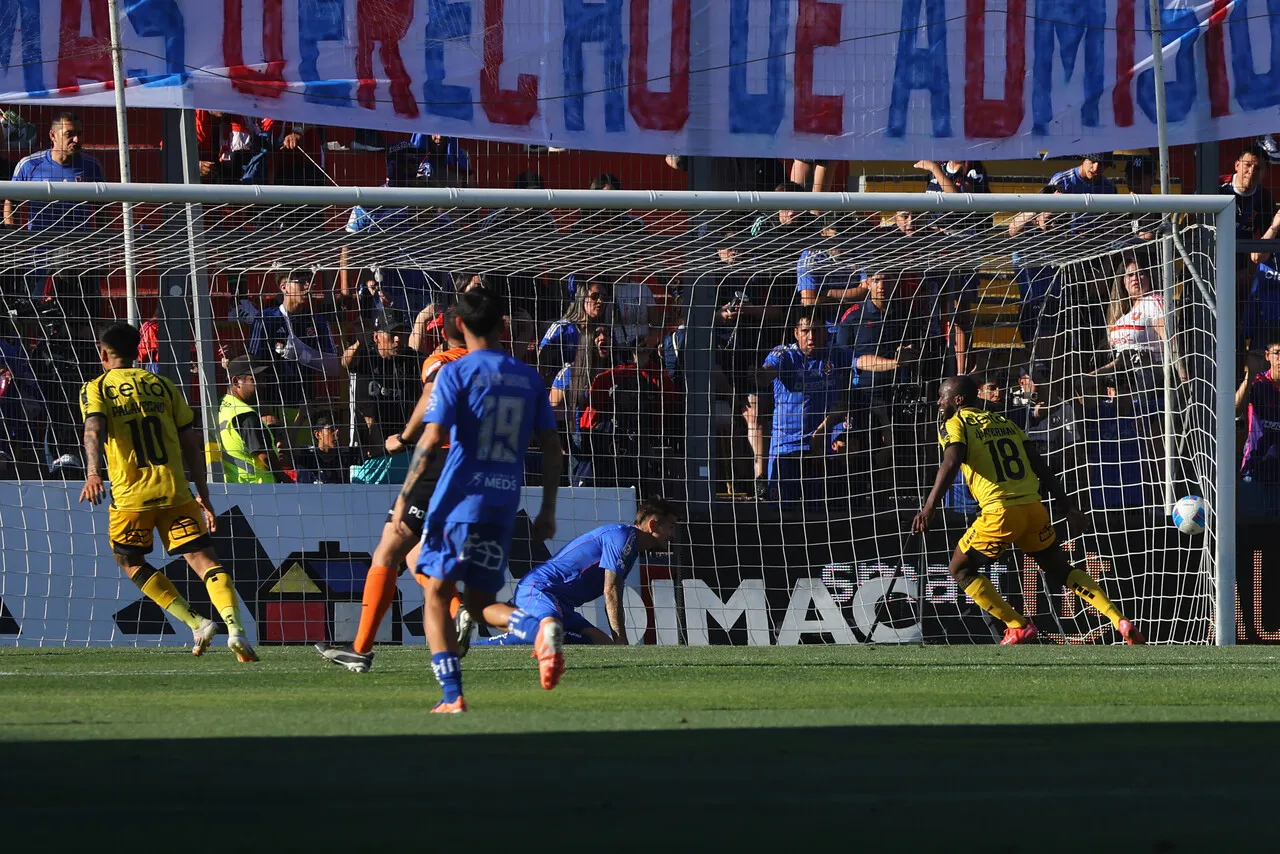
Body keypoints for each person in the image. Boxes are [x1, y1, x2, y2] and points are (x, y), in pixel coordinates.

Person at [391, 288, 563, 711]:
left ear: (461, 328)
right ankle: (537, 628)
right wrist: (547, 510)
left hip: (457, 503)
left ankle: (452, 696)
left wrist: (405, 496)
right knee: (480, 603)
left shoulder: (455, 372)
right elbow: (554, 448)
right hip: (502, 505)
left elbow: (431, 440)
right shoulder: (528, 378)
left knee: (434, 593)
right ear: (504, 325)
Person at [912, 376, 1144, 645]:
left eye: (943, 397)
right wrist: (1068, 507)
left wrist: (929, 507)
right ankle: (1119, 620)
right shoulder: (1005, 423)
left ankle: (1017, 625)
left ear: (959, 400)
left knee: (960, 569)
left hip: (1000, 511)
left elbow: (951, 462)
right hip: (1034, 508)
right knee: (1060, 569)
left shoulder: (956, 423)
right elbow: (1041, 467)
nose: (939, 402)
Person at [78, 323, 257, 661]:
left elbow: (94, 427)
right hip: (176, 491)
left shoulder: (96, 387)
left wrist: (92, 472)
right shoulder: (163, 385)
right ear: (139, 352)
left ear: (103, 354)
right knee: (205, 561)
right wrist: (202, 492)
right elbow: (191, 441)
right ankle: (236, 629)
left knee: (128, 560)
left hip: (132, 496)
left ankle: (197, 622)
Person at [313, 309, 469, 673]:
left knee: (386, 551)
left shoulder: (440, 360)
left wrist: (403, 437)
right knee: (414, 555)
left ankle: (361, 648)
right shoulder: (498, 365)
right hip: (481, 470)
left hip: (439, 462)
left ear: (444, 334)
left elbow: (432, 398)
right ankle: (457, 609)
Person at [464, 497, 679, 650]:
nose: (673, 534)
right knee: (551, 631)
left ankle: (500, 636)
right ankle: (474, 643)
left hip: (561, 604)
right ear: (653, 524)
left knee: (602, 645)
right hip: (540, 589)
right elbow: (610, 590)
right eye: (671, 526)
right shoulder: (622, 538)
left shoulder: (631, 547)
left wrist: (616, 641)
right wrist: (622, 641)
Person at [3, 112, 107, 328]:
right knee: (34, 318)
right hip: (39, 257)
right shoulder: (29, 165)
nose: (76, 139)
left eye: (79, 134)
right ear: (53, 135)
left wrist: (101, 245)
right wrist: (16, 241)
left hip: (78, 257)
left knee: (81, 320)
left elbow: (102, 209)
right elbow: (10, 202)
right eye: (70, 134)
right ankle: (37, 359)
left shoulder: (91, 166)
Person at [758, 306, 853, 503]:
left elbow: (861, 362)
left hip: (820, 450)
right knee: (783, 514)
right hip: (786, 450)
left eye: (816, 330)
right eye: (806, 331)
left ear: (825, 332)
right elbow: (767, 372)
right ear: (796, 333)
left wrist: (895, 363)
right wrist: (760, 375)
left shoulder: (835, 354)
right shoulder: (784, 355)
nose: (811, 336)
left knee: (820, 514)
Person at [247, 270, 340, 444]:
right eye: (301, 282)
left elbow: (334, 366)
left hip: (305, 408)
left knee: (302, 464)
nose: (308, 287)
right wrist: (263, 409)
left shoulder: (317, 321)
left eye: (309, 282)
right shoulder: (265, 319)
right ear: (284, 287)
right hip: (273, 407)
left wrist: (301, 353)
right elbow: (252, 365)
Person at [343, 311, 419, 447]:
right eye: (392, 334)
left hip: (401, 442)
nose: (398, 339)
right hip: (366, 445)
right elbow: (345, 362)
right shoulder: (366, 356)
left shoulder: (412, 359)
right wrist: (359, 341)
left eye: (401, 333)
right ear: (376, 337)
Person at [217, 355, 286, 484]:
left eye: (263, 379)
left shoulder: (222, 406)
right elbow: (264, 458)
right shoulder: (246, 415)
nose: (263, 385)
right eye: (255, 379)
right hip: (258, 490)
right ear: (236, 381)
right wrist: (286, 481)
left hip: (234, 486)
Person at [1236, 338, 1280, 517]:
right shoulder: (1258, 383)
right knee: (1251, 535)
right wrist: (1250, 375)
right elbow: (1234, 407)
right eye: (1277, 353)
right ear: (1268, 356)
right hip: (1254, 471)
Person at [536, 281, 612, 380]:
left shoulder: (605, 332)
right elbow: (541, 357)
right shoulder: (561, 327)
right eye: (595, 296)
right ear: (582, 298)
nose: (600, 301)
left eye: (604, 298)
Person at [289, 412, 365, 484]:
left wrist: (369, 419)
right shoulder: (308, 453)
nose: (337, 433)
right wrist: (300, 417)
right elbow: (287, 450)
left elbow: (374, 452)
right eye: (332, 429)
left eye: (340, 428)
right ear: (317, 434)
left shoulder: (345, 453)